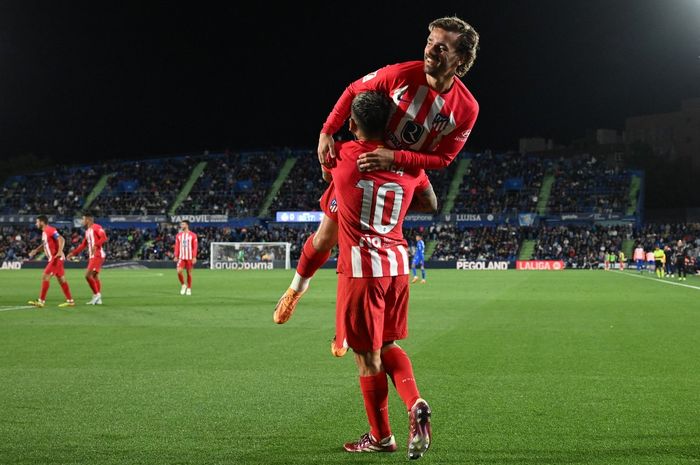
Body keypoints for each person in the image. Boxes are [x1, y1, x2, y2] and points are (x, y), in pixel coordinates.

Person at [274, 16, 480, 324]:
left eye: (441, 48)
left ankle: (357, 321)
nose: (430, 51)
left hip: (406, 169)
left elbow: (445, 159)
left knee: (430, 205)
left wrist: (396, 158)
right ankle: (295, 290)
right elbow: (353, 89)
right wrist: (326, 131)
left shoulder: (466, 109)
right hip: (366, 161)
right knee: (326, 237)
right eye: (429, 42)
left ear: (460, 58)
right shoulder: (401, 74)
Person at [320, 91, 437, 458]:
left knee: (366, 356)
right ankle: (414, 401)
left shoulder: (342, 154)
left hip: (361, 269)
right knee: (388, 346)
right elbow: (431, 204)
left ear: (353, 124)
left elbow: (328, 173)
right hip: (397, 266)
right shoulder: (410, 163)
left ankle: (381, 437)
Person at [27, 215, 75, 308]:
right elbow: (45, 244)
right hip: (55, 258)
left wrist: (60, 251)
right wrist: (36, 250)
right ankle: (70, 301)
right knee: (62, 280)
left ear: (42, 222)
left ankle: (41, 301)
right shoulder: (45, 232)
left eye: (37, 222)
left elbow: (61, 239)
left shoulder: (50, 229)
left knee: (45, 276)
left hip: (56, 258)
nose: (36, 224)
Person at [66, 213, 108, 305]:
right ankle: (98, 298)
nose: (82, 221)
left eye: (83, 219)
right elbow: (83, 245)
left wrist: (96, 245)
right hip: (93, 256)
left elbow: (104, 237)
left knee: (87, 275)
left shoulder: (96, 227)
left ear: (88, 220)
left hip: (97, 255)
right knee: (94, 276)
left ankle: (96, 295)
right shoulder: (88, 231)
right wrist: (73, 253)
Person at [174, 220, 198, 295]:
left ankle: (189, 288)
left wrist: (194, 257)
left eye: (183, 224)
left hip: (189, 257)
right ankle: (183, 285)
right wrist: (176, 255)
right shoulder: (178, 235)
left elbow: (195, 247)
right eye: (181, 224)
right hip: (181, 257)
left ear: (187, 225)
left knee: (189, 273)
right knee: (178, 271)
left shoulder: (193, 235)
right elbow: (177, 246)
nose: (181, 225)